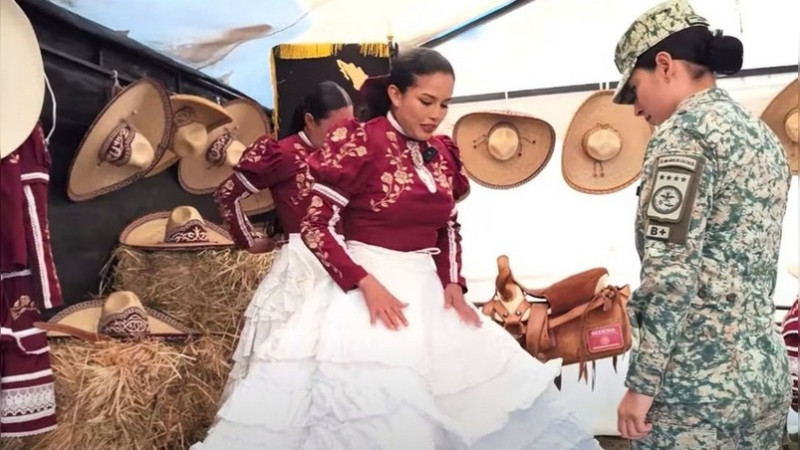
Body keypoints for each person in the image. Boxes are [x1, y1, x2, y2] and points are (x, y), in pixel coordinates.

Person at [192, 48, 600, 449]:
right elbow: (316, 226)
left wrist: (453, 284)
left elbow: (448, 225)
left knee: (478, 402)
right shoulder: (358, 145)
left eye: (444, 104)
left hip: (429, 295)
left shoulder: (441, 153)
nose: (436, 114)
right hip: (366, 288)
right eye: (426, 101)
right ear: (395, 95)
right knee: (376, 411)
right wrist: (365, 284)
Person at [611, 1, 793, 448]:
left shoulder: (683, 136)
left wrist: (641, 385)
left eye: (635, 90)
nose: (636, 109)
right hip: (762, 373)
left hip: (695, 388)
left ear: (665, 65)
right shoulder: (759, 134)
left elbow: (670, 276)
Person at [212, 80, 353, 401]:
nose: (344, 137)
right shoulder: (284, 154)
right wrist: (249, 240)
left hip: (346, 260)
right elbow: (226, 194)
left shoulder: (350, 152)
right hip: (303, 266)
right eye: (335, 129)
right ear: (309, 121)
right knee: (290, 357)